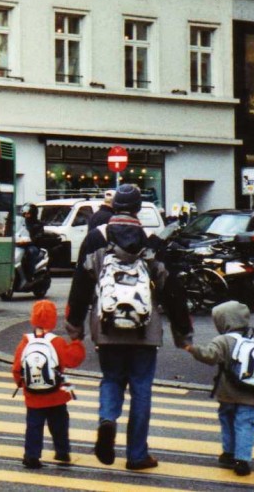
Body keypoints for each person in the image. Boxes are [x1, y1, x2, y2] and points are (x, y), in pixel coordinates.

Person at [64, 182, 193, 471]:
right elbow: (173, 290)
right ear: (138, 209)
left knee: (111, 379)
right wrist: (183, 333)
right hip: (144, 330)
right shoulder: (151, 243)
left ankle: (107, 419)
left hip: (107, 326)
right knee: (141, 388)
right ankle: (137, 455)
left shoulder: (95, 239)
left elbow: (80, 286)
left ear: (113, 207)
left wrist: (75, 328)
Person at [184, 300, 254, 477]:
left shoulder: (222, 340)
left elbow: (210, 356)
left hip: (227, 393)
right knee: (245, 424)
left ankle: (228, 453)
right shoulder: (250, 340)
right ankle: (242, 460)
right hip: (251, 394)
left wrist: (192, 348)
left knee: (228, 421)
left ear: (223, 321)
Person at [12, 299, 86, 469]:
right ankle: (62, 451)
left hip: (33, 396)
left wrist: (24, 384)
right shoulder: (57, 342)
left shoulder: (25, 342)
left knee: (34, 426)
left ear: (33, 319)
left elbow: (17, 368)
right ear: (53, 320)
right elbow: (73, 359)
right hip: (56, 396)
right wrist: (77, 343)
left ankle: (31, 455)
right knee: (59, 424)